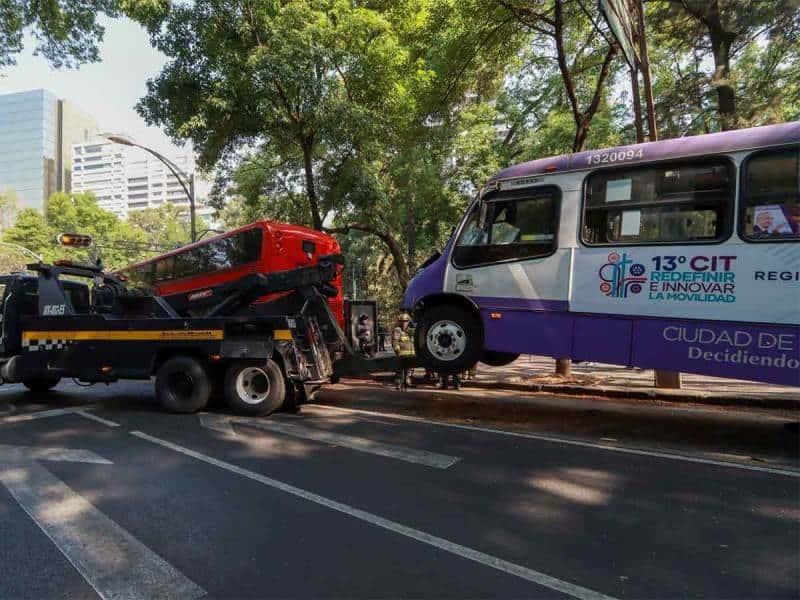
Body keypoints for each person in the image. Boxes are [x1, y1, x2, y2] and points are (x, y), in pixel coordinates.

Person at [391, 313, 415, 391]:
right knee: (400, 370)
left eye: (406, 321)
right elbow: (394, 341)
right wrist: (397, 350)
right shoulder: (397, 330)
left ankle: (407, 382)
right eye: (402, 321)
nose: (404, 323)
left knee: (409, 370)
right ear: (399, 321)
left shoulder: (411, 330)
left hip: (410, 354)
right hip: (401, 354)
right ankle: (398, 384)